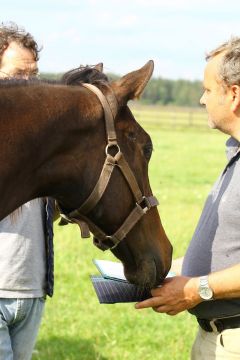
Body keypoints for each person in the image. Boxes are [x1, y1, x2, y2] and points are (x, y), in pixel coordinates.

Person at [135, 37, 240, 359]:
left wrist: (196, 289)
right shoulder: (235, 154)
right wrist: (167, 269)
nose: (200, 100)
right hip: (217, 336)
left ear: (234, 95)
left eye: (208, 90)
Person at [0, 22, 54, 360]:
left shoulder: (46, 137)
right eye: (18, 74)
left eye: (33, 75)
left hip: (33, 290)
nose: (29, 85)